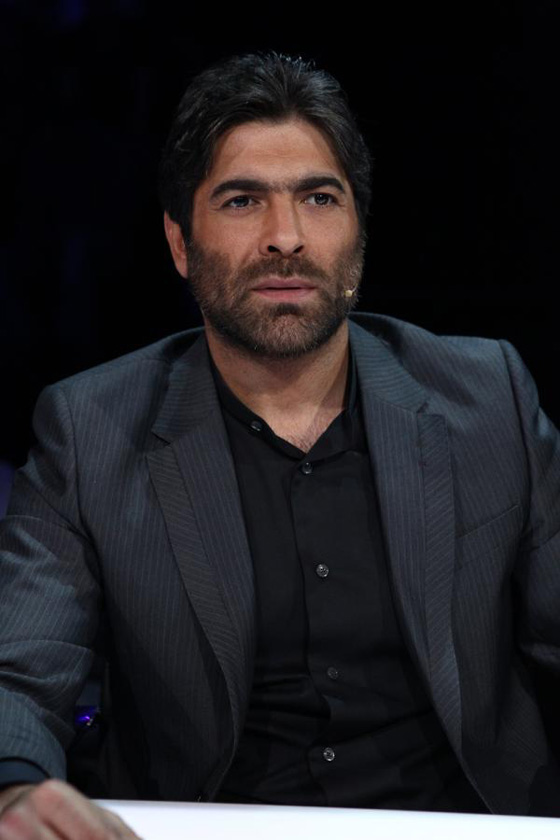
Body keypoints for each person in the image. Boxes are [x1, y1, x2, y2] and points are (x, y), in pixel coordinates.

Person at [1, 52, 560, 838]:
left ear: (358, 233)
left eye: (319, 198)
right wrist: (13, 791)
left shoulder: (488, 396)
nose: (285, 238)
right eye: (242, 201)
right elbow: (18, 674)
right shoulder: (89, 430)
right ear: (179, 243)